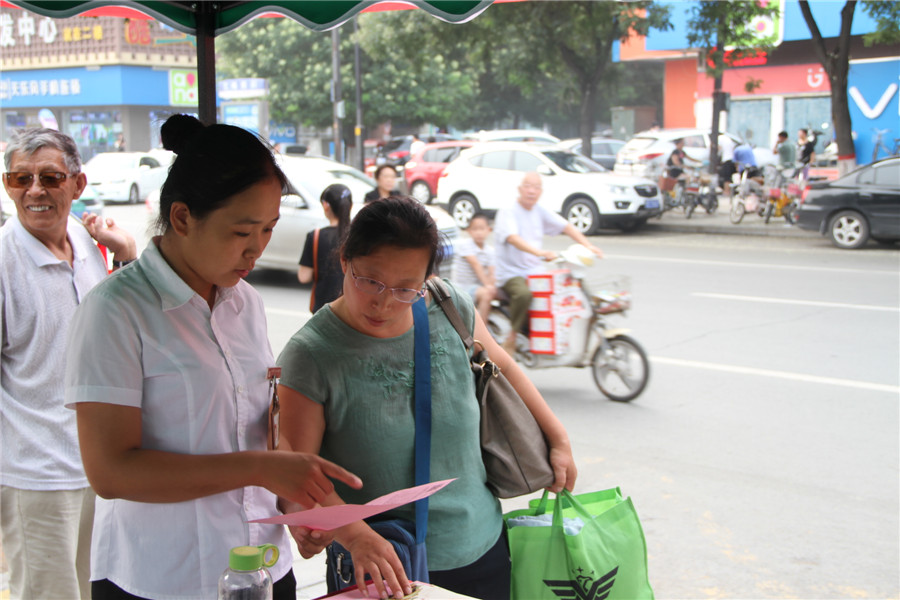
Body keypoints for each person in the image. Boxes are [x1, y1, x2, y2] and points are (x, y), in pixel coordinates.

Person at [63, 114, 361, 600]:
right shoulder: (116, 311)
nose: (256, 250)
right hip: (161, 580)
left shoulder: (246, 305)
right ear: (182, 217)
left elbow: (261, 437)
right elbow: (111, 471)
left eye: (268, 229)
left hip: (261, 569)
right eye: (241, 232)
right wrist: (257, 469)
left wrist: (305, 510)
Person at [276, 196, 577, 600]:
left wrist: (558, 439)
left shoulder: (449, 307)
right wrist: (339, 530)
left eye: (405, 288)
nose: (384, 302)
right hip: (383, 570)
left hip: (483, 549)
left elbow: (503, 367)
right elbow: (298, 478)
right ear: (345, 259)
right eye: (371, 281)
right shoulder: (311, 354)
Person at [1, 128, 137, 600]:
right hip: (36, 477)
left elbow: (110, 332)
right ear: (7, 184)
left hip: (99, 465)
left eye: (50, 178)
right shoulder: (4, 261)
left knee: (98, 587)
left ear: (77, 185)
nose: (35, 190)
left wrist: (126, 256)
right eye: (21, 178)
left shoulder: (84, 240)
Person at [494, 172, 603, 354]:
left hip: (535, 270)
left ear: (541, 191)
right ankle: (511, 338)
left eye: (536, 187)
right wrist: (540, 253)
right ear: (520, 189)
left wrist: (589, 245)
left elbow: (566, 226)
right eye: (528, 186)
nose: (532, 191)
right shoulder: (508, 211)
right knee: (523, 294)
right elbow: (513, 238)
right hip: (512, 273)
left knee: (562, 291)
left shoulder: (539, 210)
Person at [298, 183, 353, 313]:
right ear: (350, 206)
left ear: (326, 205)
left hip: (324, 307)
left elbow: (303, 276)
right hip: (352, 306)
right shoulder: (358, 234)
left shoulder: (316, 236)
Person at [452, 212, 496, 322]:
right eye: (475, 229)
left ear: (489, 230)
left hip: (477, 287)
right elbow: (476, 265)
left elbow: (492, 271)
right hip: (463, 288)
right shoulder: (465, 245)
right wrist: (488, 286)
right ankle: (482, 330)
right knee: (486, 294)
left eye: (482, 229)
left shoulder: (490, 250)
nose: (479, 233)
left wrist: (491, 285)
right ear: (469, 231)